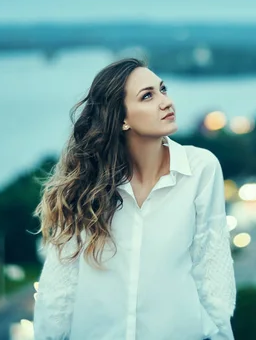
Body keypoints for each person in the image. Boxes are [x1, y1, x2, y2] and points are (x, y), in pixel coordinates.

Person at [32, 58, 236, 340]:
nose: (166, 102)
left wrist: (221, 333)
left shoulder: (201, 168)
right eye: (148, 96)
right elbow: (60, 287)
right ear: (122, 118)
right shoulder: (87, 186)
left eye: (162, 89)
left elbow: (212, 265)